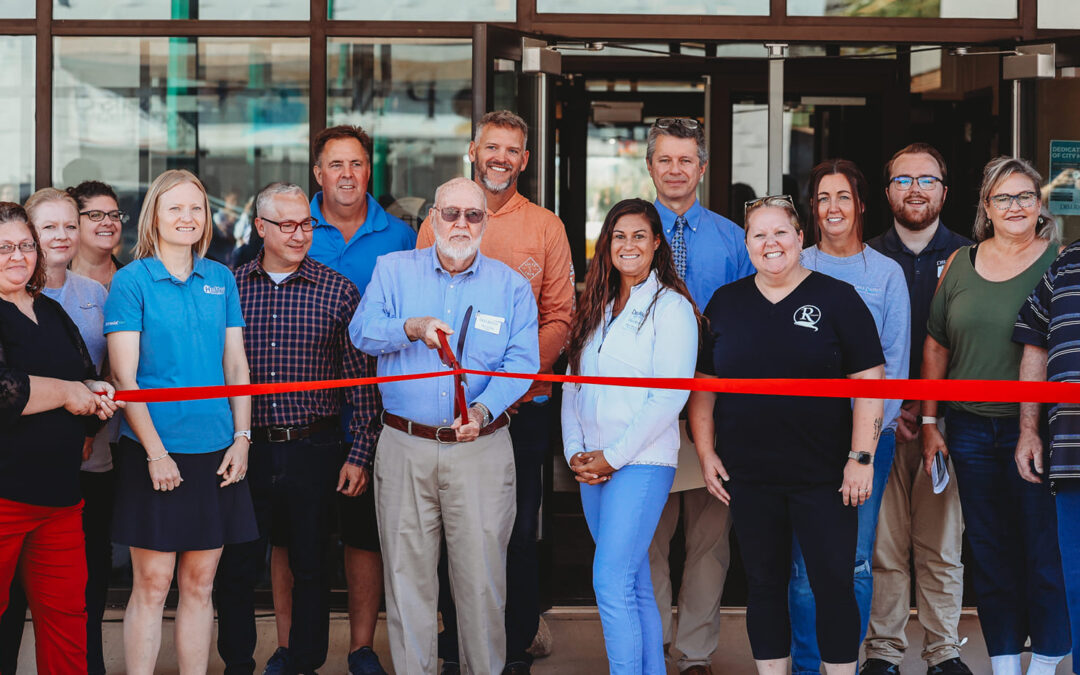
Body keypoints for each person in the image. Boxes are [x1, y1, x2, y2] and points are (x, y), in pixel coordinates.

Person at [351, 176, 539, 674]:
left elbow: (523, 363)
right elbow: (362, 332)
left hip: (481, 448)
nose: (461, 224)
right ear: (432, 218)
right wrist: (410, 328)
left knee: (481, 584)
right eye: (450, 213)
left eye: (472, 215)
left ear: (485, 221)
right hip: (405, 443)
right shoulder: (392, 270)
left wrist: (481, 411)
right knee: (407, 581)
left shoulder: (511, 285)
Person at [692, 195, 885, 675]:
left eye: (780, 232)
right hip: (750, 476)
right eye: (759, 234)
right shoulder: (726, 303)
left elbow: (871, 383)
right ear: (747, 244)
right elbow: (703, 387)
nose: (770, 243)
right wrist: (705, 449)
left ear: (801, 238)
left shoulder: (838, 298)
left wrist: (862, 457)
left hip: (825, 478)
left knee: (832, 585)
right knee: (763, 586)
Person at [416, 109, 575, 675]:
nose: (500, 158)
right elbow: (421, 301)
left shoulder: (546, 228)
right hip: (445, 411)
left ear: (524, 160)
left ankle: (512, 651)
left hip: (519, 412)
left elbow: (560, 316)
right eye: (491, 147)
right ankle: (456, 647)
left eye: (512, 150)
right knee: (452, 534)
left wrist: (512, 384)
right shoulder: (440, 218)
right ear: (474, 152)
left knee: (513, 532)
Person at [214, 182, 380, 675]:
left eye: (305, 223)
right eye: (286, 224)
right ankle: (237, 663)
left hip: (316, 446)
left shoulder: (339, 290)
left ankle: (303, 663)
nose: (298, 233)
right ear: (260, 228)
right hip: (244, 449)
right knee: (237, 565)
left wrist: (359, 454)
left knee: (311, 566)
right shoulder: (229, 288)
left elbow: (361, 384)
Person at [104, 169, 257, 674]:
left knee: (200, 585)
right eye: (175, 208)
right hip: (155, 453)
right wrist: (156, 453)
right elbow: (125, 377)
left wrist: (242, 440)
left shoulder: (222, 276)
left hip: (215, 451)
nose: (188, 217)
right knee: (151, 584)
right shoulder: (131, 281)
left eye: (196, 207)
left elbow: (235, 365)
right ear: (155, 216)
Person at [922, 155, 1069, 675]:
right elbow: (936, 346)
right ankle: (1005, 663)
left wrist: (1032, 427)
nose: (1014, 206)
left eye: (1025, 196)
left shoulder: (1060, 263)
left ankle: (1048, 663)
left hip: (1040, 432)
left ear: (1039, 205)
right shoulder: (960, 263)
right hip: (967, 427)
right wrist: (929, 422)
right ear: (986, 206)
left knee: (1043, 551)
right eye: (1003, 197)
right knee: (988, 549)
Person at [561, 198, 698, 673]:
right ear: (607, 245)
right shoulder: (595, 305)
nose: (629, 244)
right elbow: (572, 385)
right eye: (619, 236)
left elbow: (668, 398)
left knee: (609, 580)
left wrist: (612, 457)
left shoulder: (673, 308)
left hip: (639, 463)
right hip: (593, 466)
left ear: (657, 243)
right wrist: (576, 451)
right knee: (633, 581)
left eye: (639, 235)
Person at [301, 124, 416, 675]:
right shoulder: (296, 230)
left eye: (357, 164)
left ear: (370, 171)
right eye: (335, 165)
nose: (347, 175)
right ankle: (297, 646)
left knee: (363, 535)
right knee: (297, 537)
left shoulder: (399, 237)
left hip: (374, 410)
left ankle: (361, 647)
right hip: (302, 411)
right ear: (318, 173)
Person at [642, 116, 754, 675]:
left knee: (709, 540)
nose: (676, 169)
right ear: (650, 165)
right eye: (665, 159)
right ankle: (654, 643)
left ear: (703, 169)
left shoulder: (735, 239)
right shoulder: (630, 230)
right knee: (650, 536)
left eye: (686, 160)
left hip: (716, 410)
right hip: (645, 410)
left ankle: (694, 653)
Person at [789, 159, 910, 674]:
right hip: (802, 440)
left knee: (857, 558)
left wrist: (870, 439)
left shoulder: (886, 273)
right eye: (822, 197)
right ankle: (808, 664)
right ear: (812, 208)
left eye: (843, 196)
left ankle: (847, 661)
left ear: (861, 204)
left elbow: (897, 364)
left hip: (869, 438)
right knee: (801, 565)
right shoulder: (795, 264)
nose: (833, 207)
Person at [863, 143, 973, 675]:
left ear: (944, 192)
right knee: (883, 547)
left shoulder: (971, 257)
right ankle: (883, 652)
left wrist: (928, 412)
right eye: (903, 180)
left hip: (946, 425)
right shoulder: (865, 257)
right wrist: (893, 409)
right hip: (878, 422)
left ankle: (943, 651)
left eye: (927, 180)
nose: (915, 189)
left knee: (941, 547)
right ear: (887, 192)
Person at [0, 188, 117, 675]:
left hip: (61, 502)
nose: (19, 255)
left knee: (68, 624)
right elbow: (5, 391)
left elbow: (86, 372)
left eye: (25, 245)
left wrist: (93, 390)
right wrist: (69, 392)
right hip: (3, 500)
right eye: (4, 247)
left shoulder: (50, 310)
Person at [1014, 225, 1080, 675]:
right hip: (1071, 454)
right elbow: (1035, 346)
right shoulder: (1066, 263)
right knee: (1076, 585)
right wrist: (1029, 429)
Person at [68, 180, 128, 289]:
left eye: (114, 215)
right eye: (96, 215)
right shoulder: (54, 280)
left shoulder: (132, 281)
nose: (108, 222)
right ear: (75, 222)